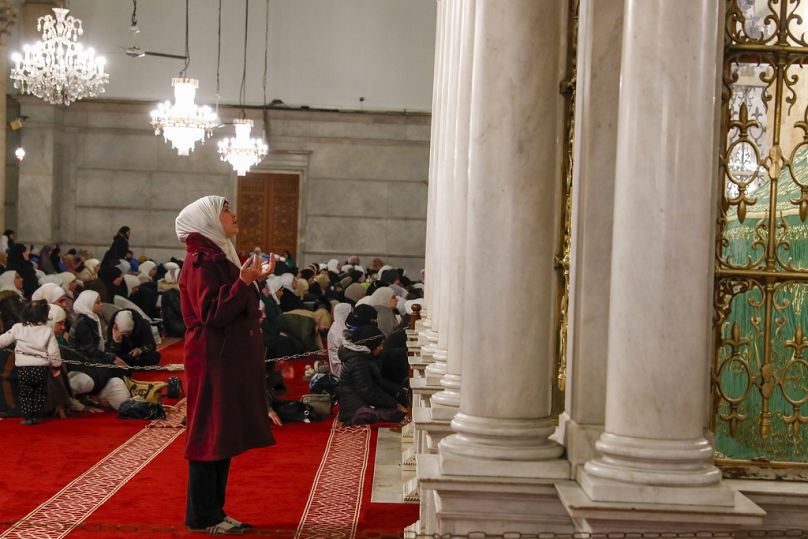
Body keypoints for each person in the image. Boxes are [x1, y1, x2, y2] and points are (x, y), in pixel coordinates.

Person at [175, 195, 280, 534]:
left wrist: (252, 279)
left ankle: (215, 512)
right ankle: (202, 517)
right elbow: (211, 313)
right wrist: (245, 282)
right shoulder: (200, 261)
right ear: (207, 219)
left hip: (223, 358)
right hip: (212, 359)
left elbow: (228, 302)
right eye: (225, 211)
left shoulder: (217, 255)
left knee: (222, 437)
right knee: (209, 436)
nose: (234, 215)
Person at [0, 299, 62, 425]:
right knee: (40, 393)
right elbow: (54, 351)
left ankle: (28, 417)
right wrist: (56, 366)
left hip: (23, 368)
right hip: (41, 368)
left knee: (25, 393)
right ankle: (37, 416)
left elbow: (3, 340)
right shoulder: (47, 330)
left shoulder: (18, 328)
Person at [337, 325, 407, 426]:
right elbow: (369, 393)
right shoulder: (358, 362)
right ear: (371, 344)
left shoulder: (362, 357)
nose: (382, 348)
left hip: (360, 405)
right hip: (355, 411)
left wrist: (400, 391)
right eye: (380, 345)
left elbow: (378, 382)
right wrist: (395, 404)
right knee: (402, 416)